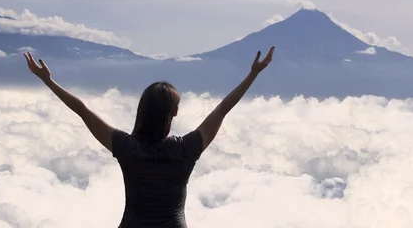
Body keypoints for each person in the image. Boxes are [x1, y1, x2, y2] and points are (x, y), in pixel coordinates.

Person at [23, 46, 275, 228]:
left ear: (141, 110)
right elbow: (222, 109)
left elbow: (83, 111)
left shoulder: (126, 147)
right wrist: (253, 74)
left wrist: (49, 81)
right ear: (174, 113)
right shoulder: (186, 150)